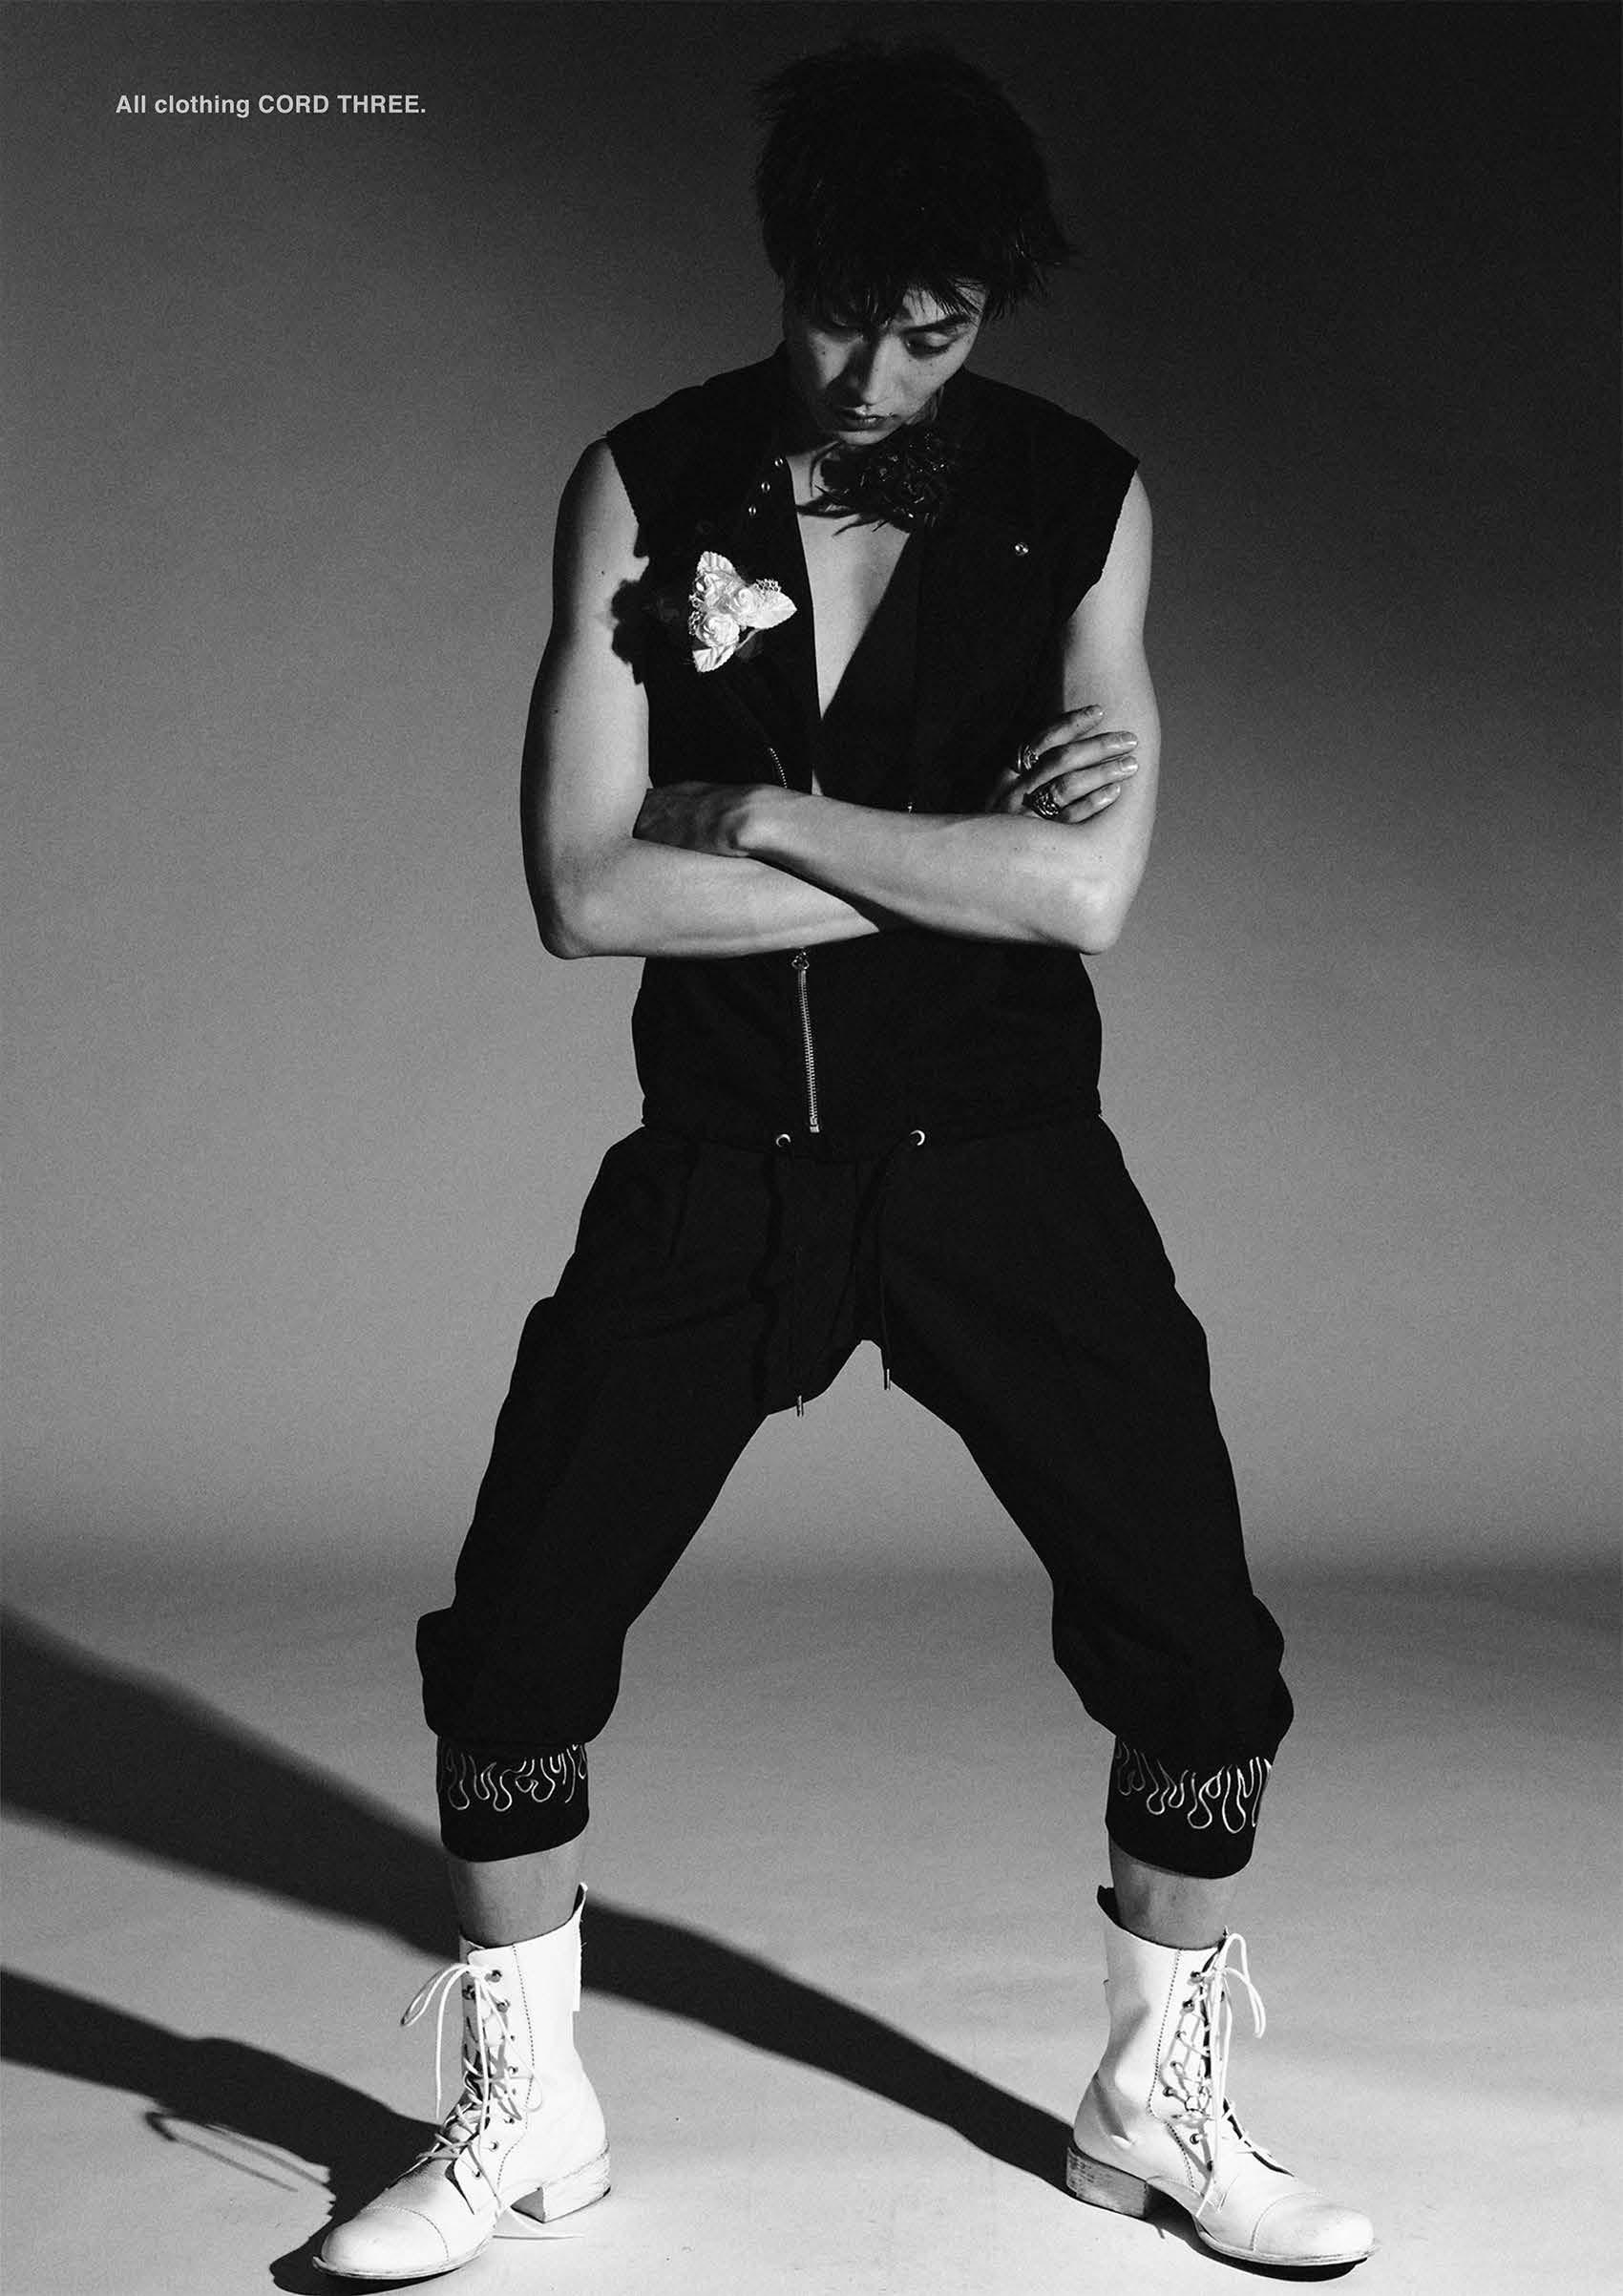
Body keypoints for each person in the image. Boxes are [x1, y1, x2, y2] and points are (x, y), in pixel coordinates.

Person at [317, 39, 1374, 2283]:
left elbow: (1083, 897)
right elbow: (584, 891)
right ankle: (526, 2109)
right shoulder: (644, 483)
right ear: (778, 267)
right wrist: (952, 854)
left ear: (987, 308)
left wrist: (772, 814)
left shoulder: (1081, 498)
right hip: (724, 1161)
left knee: (1198, 1649)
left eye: (935, 330)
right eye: (838, 318)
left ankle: (1152, 2104)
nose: (878, 377)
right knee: (511, 1640)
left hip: (1004, 1159)